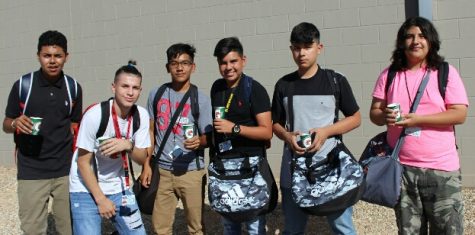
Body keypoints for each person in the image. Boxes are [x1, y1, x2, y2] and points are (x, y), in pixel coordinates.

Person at [369, 17, 468, 234]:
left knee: (449, 230)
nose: (416, 41)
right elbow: (374, 113)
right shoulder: (390, 74)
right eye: (410, 36)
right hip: (401, 168)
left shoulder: (445, 72)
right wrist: (384, 116)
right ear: (402, 42)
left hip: (441, 169)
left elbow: (460, 114)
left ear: (431, 41)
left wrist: (417, 119)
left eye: (422, 36)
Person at [271, 22, 361, 235]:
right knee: (293, 229)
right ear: (291, 49)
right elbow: (275, 123)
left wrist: (325, 132)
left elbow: (355, 118)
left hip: (330, 168)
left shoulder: (335, 81)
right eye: (296, 47)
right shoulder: (284, 85)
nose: (302, 53)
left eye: (307, 46)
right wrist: (286, 135)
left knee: (342, 227)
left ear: (319, 48)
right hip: (293, 169)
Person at [2, 30, 82, 235]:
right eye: (47, 55)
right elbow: (6, 123)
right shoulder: (23, 86)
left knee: (70, 228)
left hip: (65, 171)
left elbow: (75, 124)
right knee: (32, 229)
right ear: (38, 56)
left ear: (66, 57)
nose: (53, 61)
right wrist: (15, 123)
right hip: (32, 170)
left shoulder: (73, 87)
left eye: (58, 55)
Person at [69, 61, 150, 234]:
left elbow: (142, 158)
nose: (130, 92)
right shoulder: (95, 115)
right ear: (113, 87)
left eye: (135, 88)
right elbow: (83, 163)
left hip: (119, 186)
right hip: (85, 187)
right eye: (125, 86)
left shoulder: (141, 115)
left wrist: (128, 145)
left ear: (140, 91)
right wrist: (100, 199)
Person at [141, 43, 213, 235]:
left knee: (195, 227)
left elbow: (209, 137)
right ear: (167, 67)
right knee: (160, 227)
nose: (179, 68)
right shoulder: (156, 94)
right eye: (174, 63)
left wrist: (200, 141)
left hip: (191, 172)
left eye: (185, 63)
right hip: (163, 171)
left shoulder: (201, 99)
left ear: (193, 67)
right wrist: (147, 164)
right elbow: (150, 131)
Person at [210, 37, 273, 235]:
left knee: (254, 226)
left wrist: (234, 128)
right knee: (230, 224)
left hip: (250, 167)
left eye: (233, 61)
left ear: (243, 61)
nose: (228, 67)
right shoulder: (217, 88)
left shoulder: (255, 89)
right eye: (223, 62)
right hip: (224, 168)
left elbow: (267, 131)